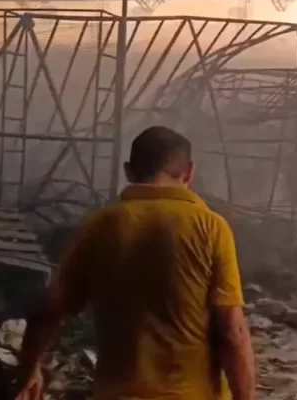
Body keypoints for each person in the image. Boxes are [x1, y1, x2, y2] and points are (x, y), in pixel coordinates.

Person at [14, 126, 256, 400]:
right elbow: (232, 330)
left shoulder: (99, 226)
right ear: (189, 172)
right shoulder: (211, 227)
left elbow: (49, 311)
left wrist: (29, 371)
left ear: (128, 171)